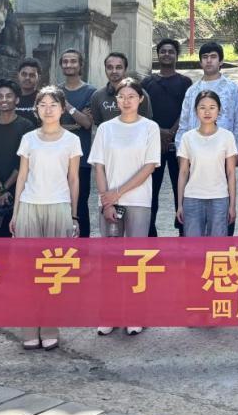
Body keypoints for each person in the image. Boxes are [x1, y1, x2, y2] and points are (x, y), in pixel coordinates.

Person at [11, 86, 81, 351]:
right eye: (43, 104)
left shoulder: (71, 140)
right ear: (36, 109)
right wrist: (16, 212)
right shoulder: (28, 139)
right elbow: (22, 177)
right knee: (28, 272)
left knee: (54, 271)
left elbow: (73, 179)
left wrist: (73, 214)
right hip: (30, 206)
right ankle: (29, 328)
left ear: (62, 109)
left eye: (53, 104)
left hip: (59, 206)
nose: (48, 109)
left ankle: (50, 327)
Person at [90, 78, 160, 336]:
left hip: (138, 200)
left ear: (140, 99)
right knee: (110, 260)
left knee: (136, 259)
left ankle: (135, 314)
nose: (126, 101)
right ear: (116, 100)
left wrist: (117, 193)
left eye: (131, 96)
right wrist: (106, 199)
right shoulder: (106, 129)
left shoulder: (150, 127)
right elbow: (99, 166)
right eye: (122, 97)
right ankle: (109, 314)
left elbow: (149, 166)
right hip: (109, 203)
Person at [142, 39, 192, 237]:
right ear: (158, 54)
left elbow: (187, 111)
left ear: (176, 55)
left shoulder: (185, 82)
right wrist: (159, 132)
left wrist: (171, 132)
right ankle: (149, 234)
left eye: (171, 51)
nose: (167, 55)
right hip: (153, 146)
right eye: (163, 51)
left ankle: (184, 233)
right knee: (150, 192)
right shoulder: (147, 83)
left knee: (181, 190)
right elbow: (143, 113)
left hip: (179, 145)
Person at [176, 90, 238, 237]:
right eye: (202, 107)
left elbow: (231, 173)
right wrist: (179, 204)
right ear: (196, 111)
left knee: (217, 247)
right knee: (193, 246)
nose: (207, 112)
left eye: (212, 107)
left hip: (219, 198)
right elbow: (183, 172)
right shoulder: (187, 138)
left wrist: (232, 205)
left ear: (219, 110)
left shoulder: (227, 137)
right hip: (192, 198)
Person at [0, 79, 34, 238]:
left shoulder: (27, 127)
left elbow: (23, 162)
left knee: (23, 240)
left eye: (9, 96)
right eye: (0, 96)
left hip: (21, 192)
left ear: (16, 100)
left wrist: (6, 188)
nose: (4, 99)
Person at [57, 49, 96, 237]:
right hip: (56, 158)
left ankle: (83, 246)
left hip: (81, 159)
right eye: (65, 61)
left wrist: (66, 105)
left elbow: (87, 123)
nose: (69, 65)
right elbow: (49, 124)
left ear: (80, 65)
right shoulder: (55, 91)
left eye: (73, 61)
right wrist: (75, 124)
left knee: (79, 205)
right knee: (58, 203)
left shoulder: (91, 92)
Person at [15, 58, 42, 125]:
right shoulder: (9, 99)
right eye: (24, 74)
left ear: (39, 78)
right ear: (18, 75)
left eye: (32, 75)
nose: (27, 78)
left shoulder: (43, 100)